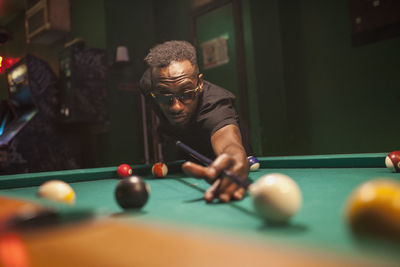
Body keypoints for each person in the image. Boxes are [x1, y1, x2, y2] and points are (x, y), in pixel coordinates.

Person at [139, 40, 251, 203]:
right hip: (188, 155)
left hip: (224, 162)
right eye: (165, 96)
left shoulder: (214, 105)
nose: (176, 107)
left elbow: (228, 142)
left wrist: (235, 160)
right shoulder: (149, 87)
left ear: (199, 83)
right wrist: (161, 128)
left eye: (186, 94)